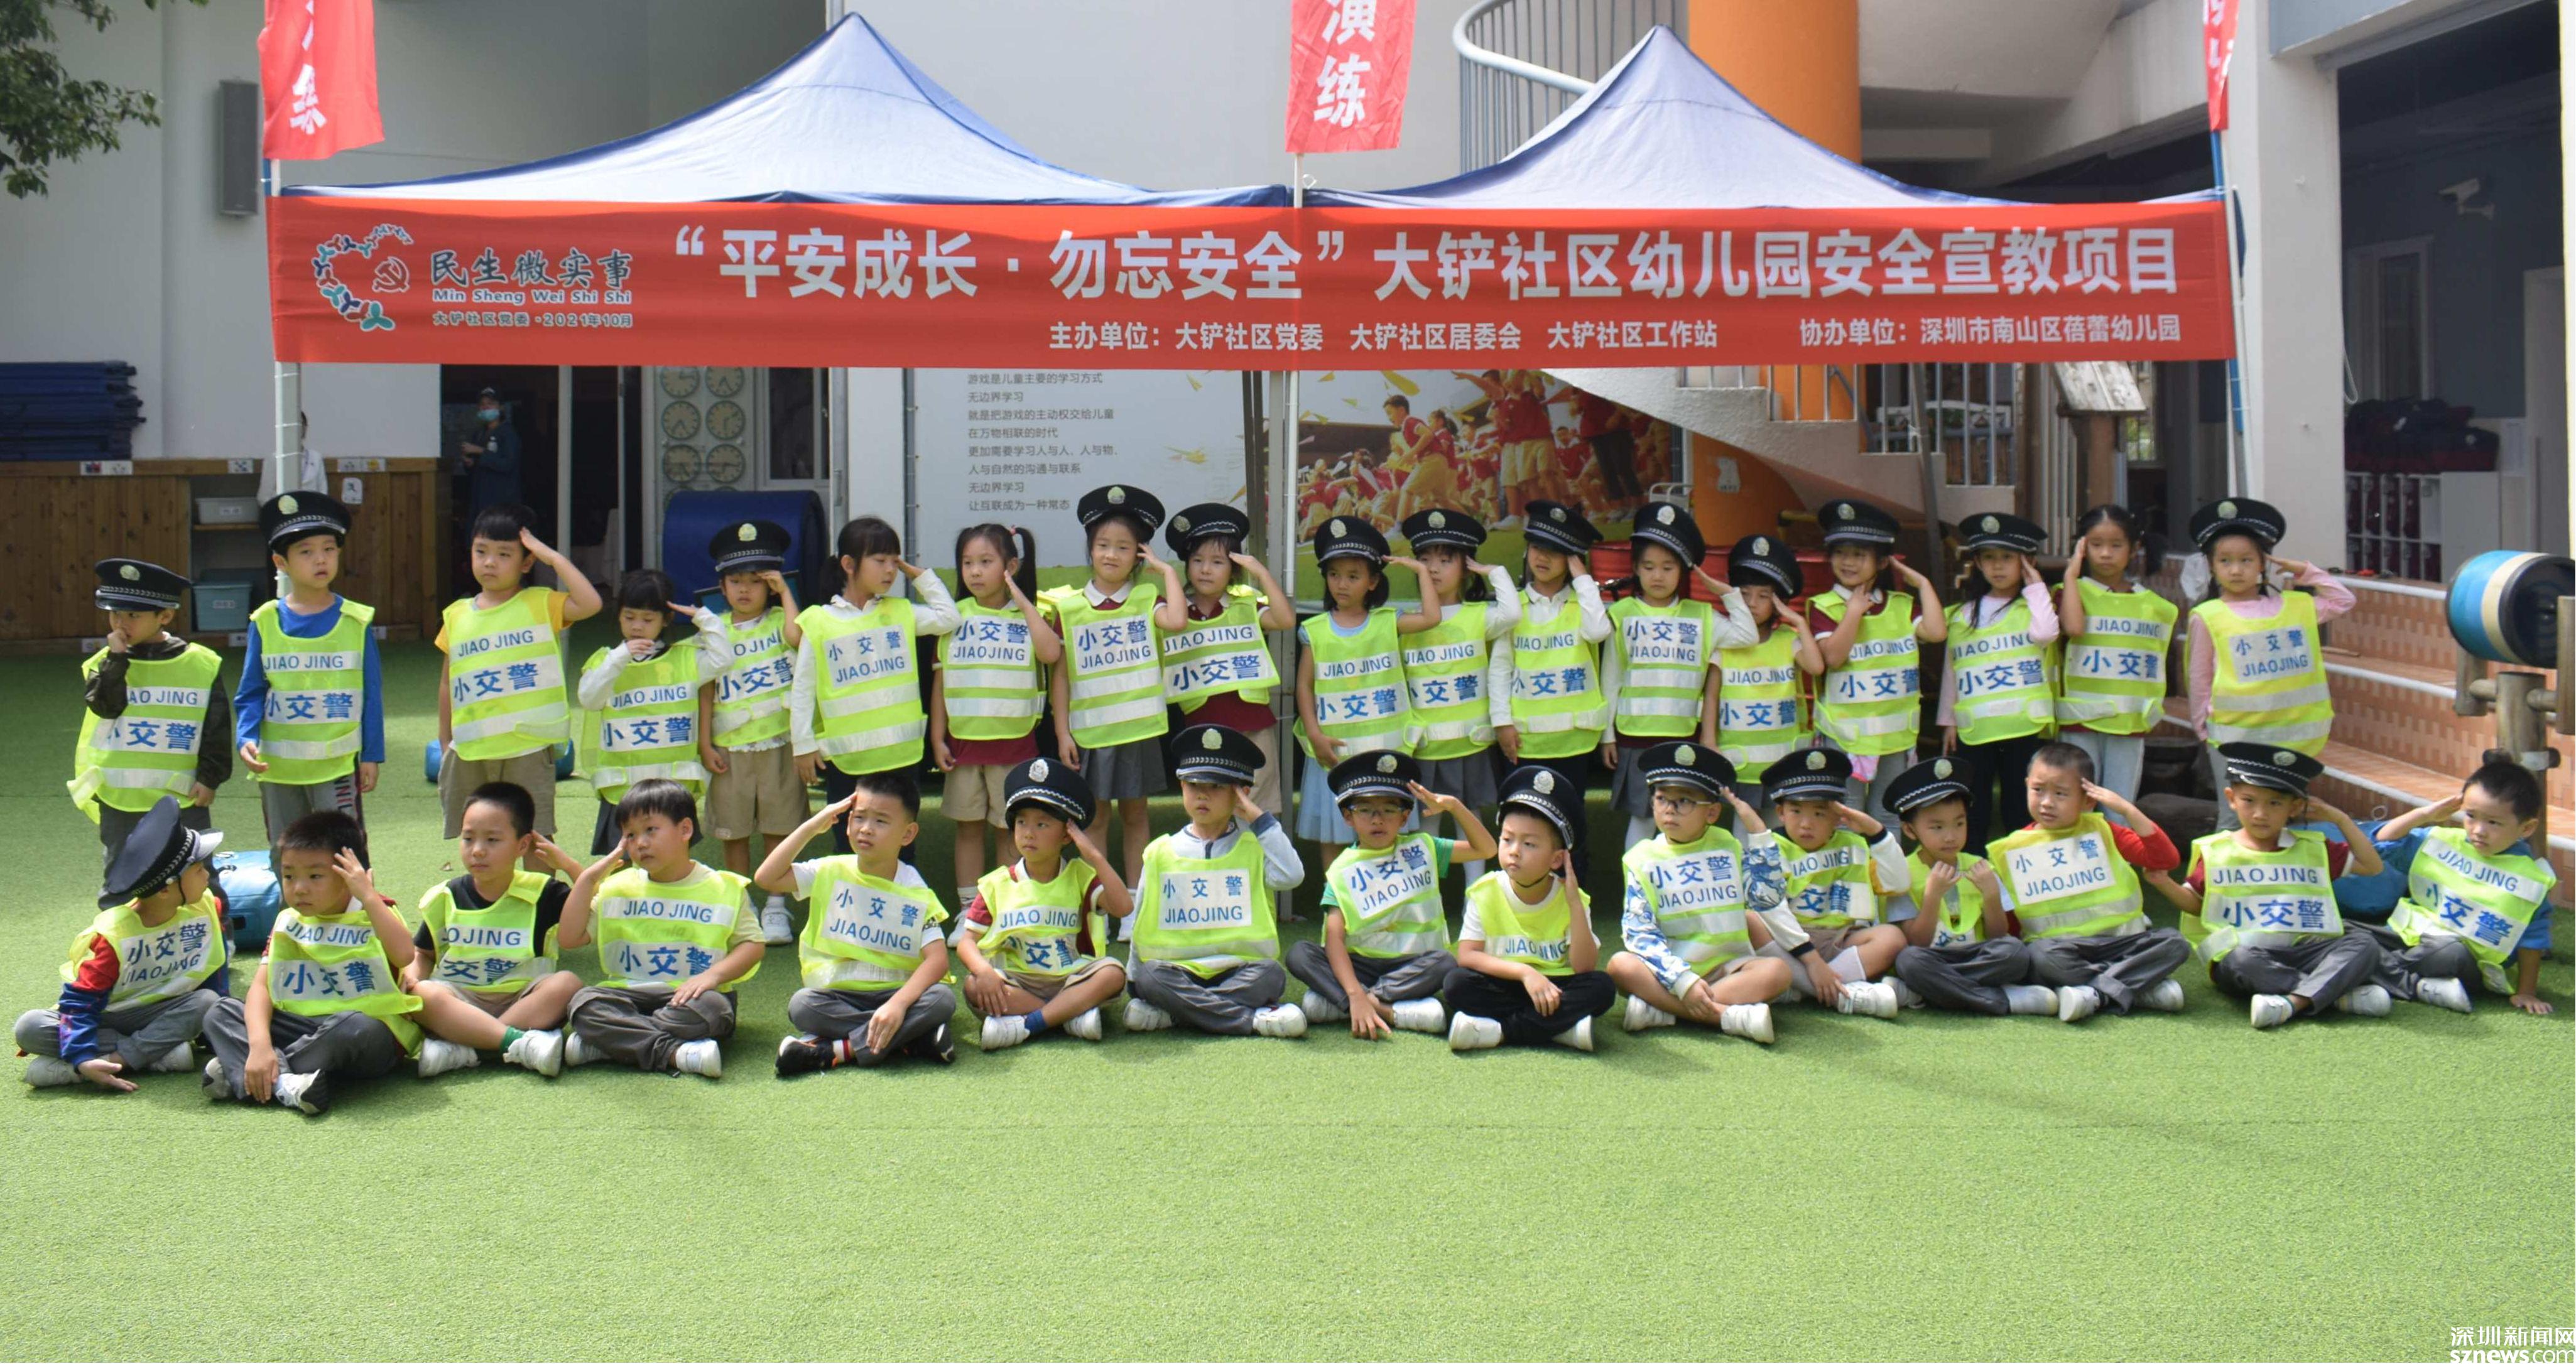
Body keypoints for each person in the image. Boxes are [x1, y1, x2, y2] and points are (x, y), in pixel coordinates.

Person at [201, 811, 419, 1115]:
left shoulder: (374, 911)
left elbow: (405, 955)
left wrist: (368, 897)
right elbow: (262, 989)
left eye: (315, 877)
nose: (299, 888)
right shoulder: (287, 921)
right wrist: (260, 1045)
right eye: (289, 876)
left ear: (349, 874)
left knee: (354, 1026)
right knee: (220, 1011)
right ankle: (285, 1083)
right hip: (301, 1028)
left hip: (366, 1037)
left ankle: (247, 1071)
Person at [2164, 744, 2391, 1027]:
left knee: (2363, 943)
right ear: (2232, 799)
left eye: (2275, 804)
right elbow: (2196, 904)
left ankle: (2293, 1002)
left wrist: (2340, 819)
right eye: (2249, 801)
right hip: (2247, 958)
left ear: (2294, 808)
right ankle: (2335, 996)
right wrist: (2162, 882)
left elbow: (2372, 866)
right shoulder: (2217, 851)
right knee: (2240, 960)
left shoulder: (2313, 848)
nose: (2260, 814)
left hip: (2305, 953)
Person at [18, 798, 228, 1090]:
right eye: (199, 869)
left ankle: (105, 1064)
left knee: (209, 1002)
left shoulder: (207, 907)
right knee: (29, 1027)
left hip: (163, 1012)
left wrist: (214, 1032)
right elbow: (80, 1004)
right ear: (166, 890)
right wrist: (81, 1056)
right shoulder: (114, 937)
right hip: (108, 1017)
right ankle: (155, 1056)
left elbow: (215, 973)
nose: (208, 875)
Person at [758, 772, 960, 1075]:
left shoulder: (913, 888)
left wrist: (898, 1005)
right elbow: (766, 878)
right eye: (859, 817)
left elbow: (938, 961)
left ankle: (836, 1051)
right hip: (839, 996)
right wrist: (812, 826)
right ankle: (912, 1041)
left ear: (908, 834)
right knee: (802, 1005)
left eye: (881, 821)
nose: (866, 829)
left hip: (896, 993)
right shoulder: (830, 869)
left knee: (942, 1000)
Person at [561, 780, 764, 1078]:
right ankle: (674, 1053)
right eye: (630, 835)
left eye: (650, 830)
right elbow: (569, 938)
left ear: (685, 830)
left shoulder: (724, 887)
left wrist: (712, 977)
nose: (640, 843)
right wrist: (588, 880)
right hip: (627, 997)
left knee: (715, 1010)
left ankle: (612, 1045)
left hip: (692, 997)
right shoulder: (617, 887)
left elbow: (752, 945)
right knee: (584, 1004)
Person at [1289, 751, 1495, 1039]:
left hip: (1411, 964)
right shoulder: (1341, 869)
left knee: (1445, 963)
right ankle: (1384, 1009)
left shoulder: (1423, 847)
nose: (1378, 820)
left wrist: (1454, 806)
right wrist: (1354, 991)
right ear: (1348, 817)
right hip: (1359, 964)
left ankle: (1351, 1004)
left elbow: (1487, 849)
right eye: (1365, 810)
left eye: (1389, 810)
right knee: (1300, 954)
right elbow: (1335, 939)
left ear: (1405, 817)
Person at [1121, 725, 1310, 1039]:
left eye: (1217, 786)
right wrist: (1136, 981)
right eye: (1193, 784)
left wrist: (1258, 818)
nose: (1202, 795)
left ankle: (1178, 1013)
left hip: (1241, 970)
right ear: (1181, 785)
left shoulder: (1255, 848)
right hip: (1177, 971)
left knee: (1272, 975)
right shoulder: (1159, 852)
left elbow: (1293, 875)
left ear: (1241, 794)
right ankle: (1250, 1021)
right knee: (1151, 977)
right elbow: (1142, 916)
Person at [1606, 742, 1798, 1042]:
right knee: (1620, 966)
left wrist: (1760, 836)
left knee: (1778, 972)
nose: (1670, 809)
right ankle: (1725, 1016)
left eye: (1684, 801)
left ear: (1712, 813)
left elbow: (1767, 898)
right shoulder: (1640, 858)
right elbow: (1640, 935)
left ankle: (1666, 1012)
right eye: (1661, 798)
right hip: (1671, 971)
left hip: (1728, 968)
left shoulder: (1728, 845)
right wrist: (1683, 982)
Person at [790, 516, 961, 852]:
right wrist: (802, 745)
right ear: (849, 564)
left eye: (895, 562)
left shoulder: (901, 611)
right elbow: (803, 689)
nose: (890, 571)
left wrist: (920, 576)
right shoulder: (818, 621)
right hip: (848, 761)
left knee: (901, 846)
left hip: (901, 756)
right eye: (880, 560)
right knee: (849, 847)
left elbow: (949, 617)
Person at [436, 502, 602, 844]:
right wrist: (445, 741)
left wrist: (551, 557)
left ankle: (540, 884)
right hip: (471, 749)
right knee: (478, 836)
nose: (489, 562)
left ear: (527, 562)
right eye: (481, 551)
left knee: (536, 837)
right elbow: (447, 682)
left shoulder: (541, 603)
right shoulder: (455, 615)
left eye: (503, 554)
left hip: (527, 747)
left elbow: (591, 603)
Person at [1990, 742, 2192, 1022]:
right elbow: (2011, 922)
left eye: (2061, 794)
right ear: (2026, 786)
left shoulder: (2104, 830)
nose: (2047, 802)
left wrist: (2128, 810)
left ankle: (2095, 993)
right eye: (2038, 790)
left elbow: (2165, 859)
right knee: (2038, 957)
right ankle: (2136, 988)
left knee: (2174, 943)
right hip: (2061, 951)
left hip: (2120, 944)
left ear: (2088, 800)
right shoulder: (2012, 849)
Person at [2183, 497, 2350, 831]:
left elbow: (2343, 600)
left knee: (2287, 814)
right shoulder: (2208, 616)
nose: (2236, 570)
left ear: (2264, 563)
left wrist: (2305, 571)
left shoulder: (2297, 607)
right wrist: (2203, 728)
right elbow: (2198, 678)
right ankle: (2216, 869)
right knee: (2234, 818)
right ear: (2211, 566)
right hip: (2233, 739)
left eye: (2246, 560)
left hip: (2295, 738)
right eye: (2225, 561)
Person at [404, 782, 589, 1079]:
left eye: (492, 840)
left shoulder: (545, 892)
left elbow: (597, 909)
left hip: (523, 999)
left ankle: (467, 1048)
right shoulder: (447, 895)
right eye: (468, 839)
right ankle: (517, 1043)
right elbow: (423, 953)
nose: (478, 851)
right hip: (461, 1000)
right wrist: (412, 979)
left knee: (567, 984)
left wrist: (569, 865)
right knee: (423, 993)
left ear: (522, 846)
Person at [1602, 501, 1758, 850]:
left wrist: (1726, 593)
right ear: (1636, 569)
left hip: (1683, 735)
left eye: (1668, 567)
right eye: (1649, 567)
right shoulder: (1622, 614)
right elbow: (1611, 679)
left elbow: (1746, 635)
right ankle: (1636, 885)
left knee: (1680, 822)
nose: (1658, 576)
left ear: (1684, 571)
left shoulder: (1702, 616)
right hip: (1635, 736)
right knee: (1643, 819)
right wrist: (1606, 735)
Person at [1041, 485, 1173, 892]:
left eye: (1123, 547)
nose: (1111, 555)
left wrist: (1167, 572)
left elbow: (1177, 621)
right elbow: (1061, 676)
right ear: (1090, 549)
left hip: (1137, 731)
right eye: (1102, 545)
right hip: (1090, 734)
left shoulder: (1147, 598)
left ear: (1139, 554)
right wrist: (1062, 732)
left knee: (1137, 816)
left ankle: (1135, 902)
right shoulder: (1069, 607)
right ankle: (1100, 901)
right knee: (1094, 819)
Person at [954, 757, 1134, 1050]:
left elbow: (1124, 907)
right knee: (974, 986)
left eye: (1042, 824)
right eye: (1021, 822)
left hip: (1071, 978)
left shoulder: (1080, 875)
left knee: (1113, 973)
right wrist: (984, 972)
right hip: (1019, 981)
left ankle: (1030, 1024)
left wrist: (1095, 857)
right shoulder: (997, 883)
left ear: (1067, 835)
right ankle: (1068, 1015)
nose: (1028, 833)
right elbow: (966, 942)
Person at [236, 490, 383, 846]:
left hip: (337, 765)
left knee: (343, 848)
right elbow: (251, 691)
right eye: (306, 552)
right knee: (285, 849)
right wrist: (246, 737)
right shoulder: (264, 621)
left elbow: (371, 693)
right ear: (281, 562)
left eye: (329, 549)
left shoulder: (356, 621)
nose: (321, 559)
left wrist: (371, 755)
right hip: (278, 768)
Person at [931, 524, 1060, 929]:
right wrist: (937, 736)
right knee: (968, 830)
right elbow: (941, 681)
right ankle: (969, 912)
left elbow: (1051, 653)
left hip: (1015, 746)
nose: (974, 571)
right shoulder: (953, 618)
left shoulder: (1032, 617)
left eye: (986, 562)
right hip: (965, 746)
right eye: (967, 563)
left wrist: (1021, 600)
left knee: (1009, 830)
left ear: (1011, 567)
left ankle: (1007, 908)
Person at [1293, 517, 1436, 874]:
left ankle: (1385, 894)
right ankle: (1335, 898)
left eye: (1353, 576)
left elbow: (1432, 617)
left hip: (1383, 751)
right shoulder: (1315, 630)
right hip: (1335, 751)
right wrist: (1314, 734)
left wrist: (1420, 571)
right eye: (1334, 574)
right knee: (1334, 833)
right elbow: (1304, 686)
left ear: (1373, 582)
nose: (1342, 584)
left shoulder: (1388, 621)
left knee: (1384, 829)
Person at [1443, 763, 1616, 1051]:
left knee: (1602, 987)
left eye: (1530, 844)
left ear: (1556, 859)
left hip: (1555, 988)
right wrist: (1525, 973)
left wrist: (1574, 905)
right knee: (1456, 983)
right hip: (1505, 980)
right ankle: (1558, 1029)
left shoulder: (1572, 898)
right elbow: (1468, 956)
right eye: (1507, 839)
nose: (1514, 851)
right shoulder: (1485, 891)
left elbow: (1584, 966)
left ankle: (1500, 1031)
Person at [2369, 751, 2556, 1014]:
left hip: (2461, 960)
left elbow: (2532, 940)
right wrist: (2424, 813)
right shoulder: (2441, 841)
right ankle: (2407, 983)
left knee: (2449, 952)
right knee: (2351, 933)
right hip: (2403, 937)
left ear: (2526, 828)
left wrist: (2526, 992)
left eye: (2493, 822)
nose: (2478, 830)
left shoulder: (2530, 879)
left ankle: (2368, 971)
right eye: (2471, 816)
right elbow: (2382, 842)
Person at [73, 558, 231, 864]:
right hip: (120, 798)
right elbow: (106, 707)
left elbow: (216, 727)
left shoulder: (201, 664)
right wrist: (117, 660)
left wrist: (210, 778)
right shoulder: (103, 663)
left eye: (133, 615)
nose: (121, 624)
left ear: (165, 616)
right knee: (123, 874)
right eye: (115, 614)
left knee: (194, 871)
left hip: (184, 796)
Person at [1397, 508, 1522, 888]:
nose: (1434, 569)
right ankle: (1427, 898)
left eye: (1446, 560)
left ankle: (1476, 898)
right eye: (1425, 560)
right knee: (1428, 827)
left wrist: (1494, 572)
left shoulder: (1478, 615)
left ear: (1465, 568)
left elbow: (1512, 614)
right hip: (1427, 746)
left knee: (1472, 823)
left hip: (1470, 744)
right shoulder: (1406, 621)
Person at [697, 519, 805, 945]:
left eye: (755, 581)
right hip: (731, 747)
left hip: (779, 743)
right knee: (734, 831)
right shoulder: (714, 629)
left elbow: (797, 638)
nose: (745, 590)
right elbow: (706, 690)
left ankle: (777, 906)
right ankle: (742, 906)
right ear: (722, 588)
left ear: (771, 585)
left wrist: (786, 593)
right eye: (735, 582)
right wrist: (704, 743)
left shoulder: (781, 619)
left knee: (779, 826)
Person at [574, 568, 734, 854]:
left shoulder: (686, 659)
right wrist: (620, 657)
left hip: (671, 792)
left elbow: (724, 658)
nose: (637, 627)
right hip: (621, 792)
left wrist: (703, 617)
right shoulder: (606, 662)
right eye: (629, 617)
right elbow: (589, 699)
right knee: (621, 866)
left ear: (666, 619)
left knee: (671, 865)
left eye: (648, 619)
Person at [1883, 759, 2058, 1017]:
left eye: (1959, 823)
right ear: (1910, 830)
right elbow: (1917, 941)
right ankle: (2004, 1000)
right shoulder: (1902, 874)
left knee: (2015, 952)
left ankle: (1925, 992)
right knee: (1909, 961)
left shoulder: (1980, 866)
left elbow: (1998, 935)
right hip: (1934, 957)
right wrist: (1932, 896)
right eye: (1937, 827)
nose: (1951, 836)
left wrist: (1991, 895)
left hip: (1977, 955)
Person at [1807, 499, 1947, 822]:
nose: (1848, 562)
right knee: (1848, 815)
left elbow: (1937, 632)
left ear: (1883, 562)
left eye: (1859, 554)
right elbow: (1834, 658)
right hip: (1845, 737)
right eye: (1840, 553)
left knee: (1889, 815)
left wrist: (1923, 584)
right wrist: (1854, 613)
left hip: (1894, 736)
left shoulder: (1901, 605)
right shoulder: (1825, 606)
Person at [1157, 501, 1297, 818]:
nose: (1206, 570)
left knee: (1259, 811)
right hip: (1202, 726)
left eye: (1218, 562)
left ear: (1233, 568)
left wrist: (1261, 573)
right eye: (1197, 560)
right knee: (1211, 812)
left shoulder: (1246, 604)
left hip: (1253, 724)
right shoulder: (1174, 609)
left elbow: (1285, 619)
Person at [1503, 499, 1613, 882]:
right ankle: (1523, 893)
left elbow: (1599, 631)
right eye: (1537, 547)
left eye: (1557, 551)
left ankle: (1572, 896)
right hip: (1525, 740)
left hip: (1574, 741)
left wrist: (1583, 580)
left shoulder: (1584, 604)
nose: (1543, 557)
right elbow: (1500, 670)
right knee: (1523, 823)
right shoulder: (1513, 608)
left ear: (1573, 559)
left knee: (1570, 823)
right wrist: (1502, 723)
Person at [1757, 746, 1907, 1019]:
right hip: (1788, 942)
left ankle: (1801, 988)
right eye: (1796, 811)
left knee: (1891, 938)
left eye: (1819, 813)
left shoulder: (1855, 844)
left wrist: (1876, 832)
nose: (1806, 824)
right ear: (1780, 812)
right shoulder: (1768, 849)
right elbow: (1770, 914)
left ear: (1840, 817)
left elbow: (1898, 883)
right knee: (1751, 921)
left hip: (1839, 939)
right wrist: (1812, 962)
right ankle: (1841, 994)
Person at [1940, 512, 2060, 849]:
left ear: (2026, 561)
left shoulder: (2035, 608)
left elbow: (2046, 634)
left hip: (2023, 727)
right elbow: (1954, 670)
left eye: (2008, 557)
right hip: (1977, 728)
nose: (1997, 566)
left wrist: (2035, 585)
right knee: (1974, 806)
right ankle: (1972, 868)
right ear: (1977, 563)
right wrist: (1948, 720)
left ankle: (2020, 871)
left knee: (2020, 807)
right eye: (1989, 558)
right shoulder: (1961, 615)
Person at [2053, 504, 2176, 809]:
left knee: (2119, 809)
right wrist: (2071, 574)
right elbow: (2074, 627)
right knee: (2076, 807)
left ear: (2134, 548)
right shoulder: (2067, 593)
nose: (2106, 554)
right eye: (2096, 545)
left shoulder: (2157, 607)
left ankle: (2119, 845)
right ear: (2082, 547)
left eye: (2116, 545)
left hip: (2128, 723)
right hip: (2080, 721)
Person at [1714, 534, 1823, 821]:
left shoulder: (1787, 639)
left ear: (1778, 602)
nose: (1752, 603)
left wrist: (1798, 621)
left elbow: (1816, 667)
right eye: (1745, 594)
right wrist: (1709, 741)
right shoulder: (1724, 642)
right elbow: (1711, 696)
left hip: (1782, 761)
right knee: (1744, 827)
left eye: (1764, 596)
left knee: (1778, 828)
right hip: (1740, 761)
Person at [458, 386, 522, 517]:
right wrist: (469, 463)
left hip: (501, 499)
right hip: (480, 498)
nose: (486, 407)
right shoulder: (479, 434)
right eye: (482, 404)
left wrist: (481, 451)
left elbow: (508, 464)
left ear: (501, 408)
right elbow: (475, 467)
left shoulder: (508, 433)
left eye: (491, 404)